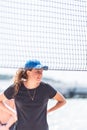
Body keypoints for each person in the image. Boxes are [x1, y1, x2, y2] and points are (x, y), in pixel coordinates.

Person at [0, 59, 66, 130]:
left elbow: (62, 101)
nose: (40, 74)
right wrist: (13, 112)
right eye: (37, 71)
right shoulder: (16, 88)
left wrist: (48, 111)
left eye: (41, 71)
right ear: (28, 72)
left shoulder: (46, 88)